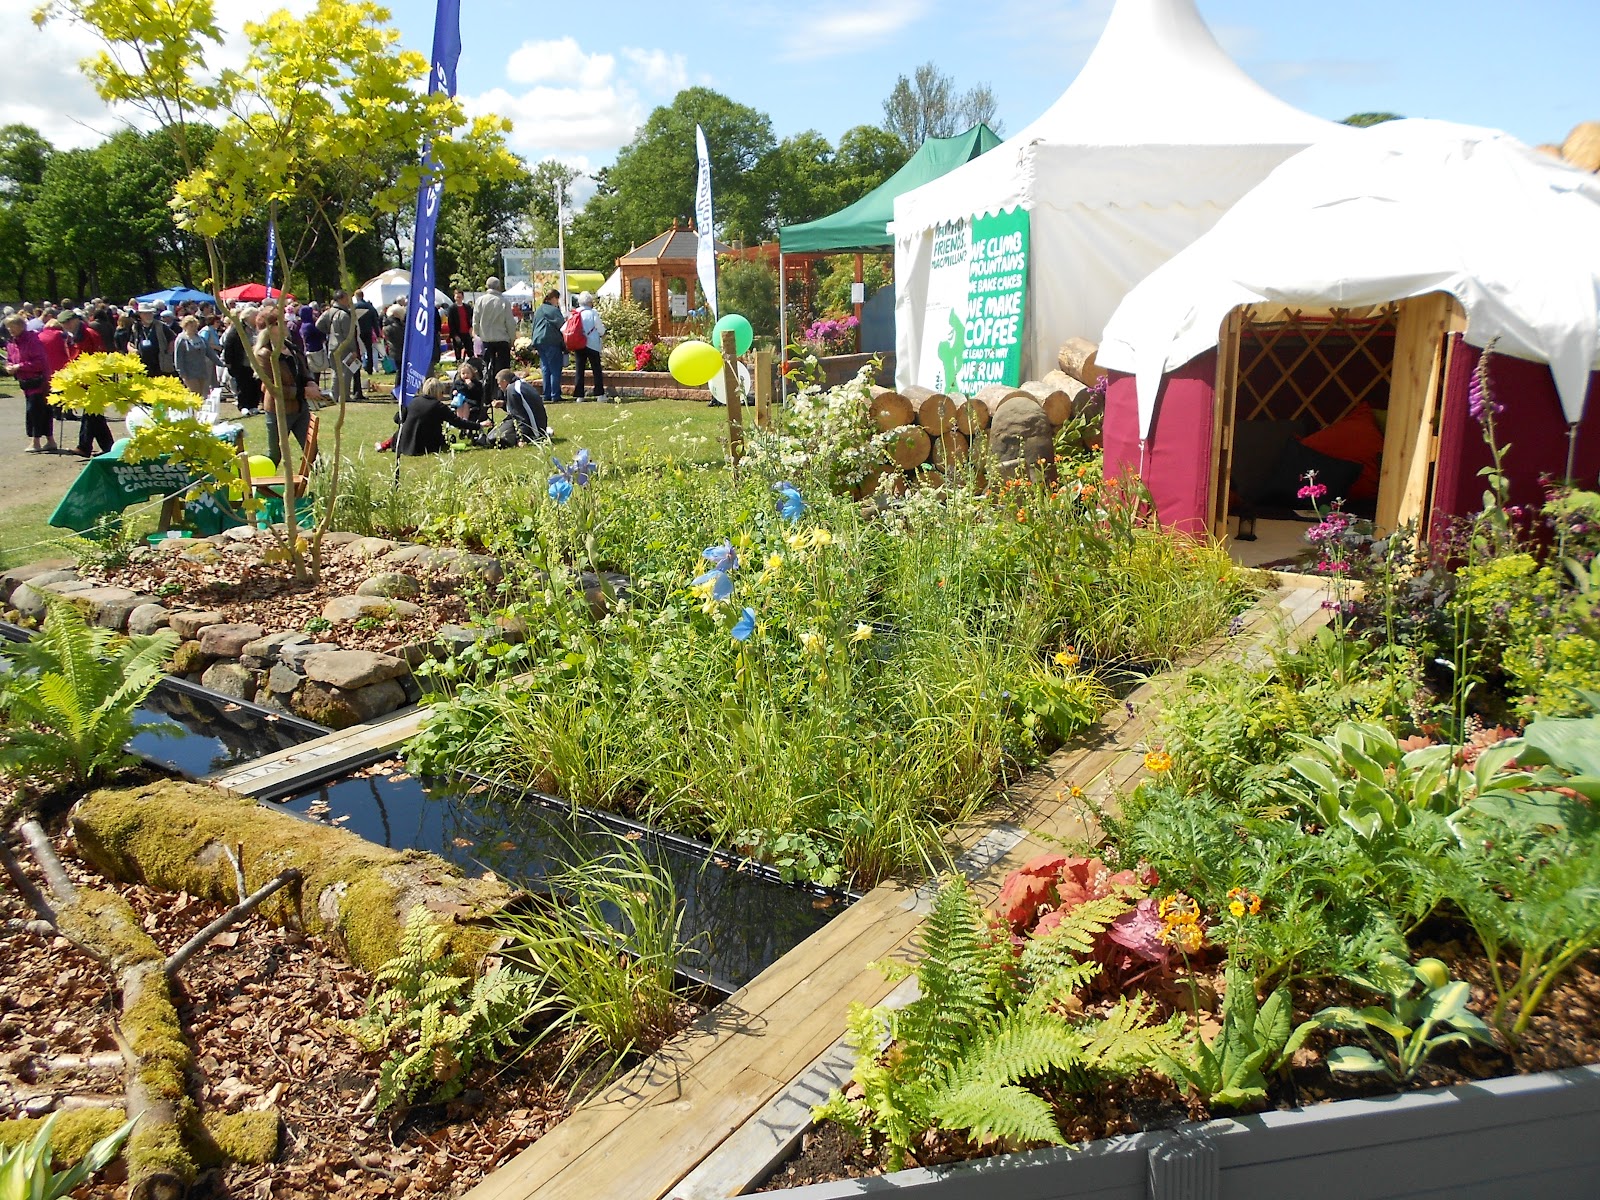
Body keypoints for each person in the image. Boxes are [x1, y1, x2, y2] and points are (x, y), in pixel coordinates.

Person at [254, 304, 321, 464]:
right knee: (274, 456)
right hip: (279, 412)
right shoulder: (264, 354)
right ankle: (262, 487)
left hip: (300, 408)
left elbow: (303, 370)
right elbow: (274, 389)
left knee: (313, 454)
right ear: (270, 328)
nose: (286, 324)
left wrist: (311, 383)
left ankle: (319, 487)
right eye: (280, 322)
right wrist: (303, 392)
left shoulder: (291, 347)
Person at [394, 377, 489, 456]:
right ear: (439, 392)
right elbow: (458, 422)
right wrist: (479, 425)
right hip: (427, 445)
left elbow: (397, 418)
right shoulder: (438, 406)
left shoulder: (412, 400)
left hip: (406, 443)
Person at [4, 313, 57, 453]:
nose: (10, 330)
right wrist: (9, 366)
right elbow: (10, 358)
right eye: (8, 327)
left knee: (35, 411)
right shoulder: (12, 342)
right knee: (40, 411)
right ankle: (50, 441)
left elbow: (39, 362)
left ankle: (36, 441)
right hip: (25, 382)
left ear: (22, 326)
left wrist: (20, 366)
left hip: (39, 381)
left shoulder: (32, 340)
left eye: (13, 327)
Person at [473, 277, 514, 401]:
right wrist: (511, 339)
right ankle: (503, 394)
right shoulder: (503, 301)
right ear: (498, 287)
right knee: (504, 369)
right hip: (501, 339)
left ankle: (487, 395)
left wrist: (479, 334)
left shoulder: (480, 301)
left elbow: (475, 321)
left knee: (487, 369)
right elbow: (510, 323)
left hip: (487, 340)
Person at [223, 307, 264, 417]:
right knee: (243, 386)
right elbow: (229, 346)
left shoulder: (257, 328)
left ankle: (254, 405)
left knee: (255, 385)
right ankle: (243, 406)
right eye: (255, 315)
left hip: (255, 363)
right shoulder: (238, 329)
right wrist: (229, 363)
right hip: (242, 363)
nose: (257, 318)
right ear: (248, 317)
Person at [316, 289, 357, 397]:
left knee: (335, 372)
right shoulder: (344, 314)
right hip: (343, 346)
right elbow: (349, 335)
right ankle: (344, 396)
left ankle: (334, 395)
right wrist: (354, 349)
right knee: (346, 372)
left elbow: (318, 324)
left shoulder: (328, 312)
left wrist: (330, 332)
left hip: (332, 345)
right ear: (342, 299)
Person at [530, 289, 565, 407]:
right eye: (557, 299)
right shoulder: (553, 310)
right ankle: (555, 394)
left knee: (545, 368)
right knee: (555, 368)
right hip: (551, 340)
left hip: (539, 341)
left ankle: (547, 394)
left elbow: (534, 325)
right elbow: (562, 324)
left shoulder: (539, 309)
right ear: (553, 298)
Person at [174, 314, 223, 397]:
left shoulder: (200, 338)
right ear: (185, 326)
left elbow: (210, 352)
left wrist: (221, 363)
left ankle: (199, 410)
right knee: (195, 394)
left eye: (195, 326)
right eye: (191, 326)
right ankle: (194, 410)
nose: (193, 328)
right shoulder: (181, 339)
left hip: (202, 371)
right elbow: (178, 358)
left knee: (202, 394)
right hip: (189, 372)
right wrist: (181, 373)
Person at [495, 368, 549, 442]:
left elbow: (519, 416)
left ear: (504, 382)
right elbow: (522, 407)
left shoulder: (511, 389)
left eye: (499, 383)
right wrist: (504, 404)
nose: (499, 386)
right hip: (541, 426)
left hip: (534, 432)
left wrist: (521, 439)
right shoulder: (522, 383)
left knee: (493, 438)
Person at [572, 292, 606, 402]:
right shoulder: (593, 313)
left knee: (579, 369)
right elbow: (600, 328)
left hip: (578, 343)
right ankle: (599, 394)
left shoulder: (575, 313)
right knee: (596, 369)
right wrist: (602, 333)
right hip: (592, 344)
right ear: (590, 302)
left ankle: (579, 396)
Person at [133, 303, 174, 377]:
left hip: (159, 362)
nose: (149, 316)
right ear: (140, 315)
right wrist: (133, 350)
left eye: (150, 313)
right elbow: (130, 343)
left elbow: (172, 339)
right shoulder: (136, 327)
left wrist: (168, 353)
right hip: (142, 362)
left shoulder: (161, 325)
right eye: (146, 314)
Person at [354, 291, 380, 373]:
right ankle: (370, 368)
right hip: (368, 331)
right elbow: (375, 321)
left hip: (357, 331)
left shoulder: (354, 307)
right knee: (369, 350)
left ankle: (356, 369)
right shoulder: (370, 307)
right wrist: (377, 333)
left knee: (357, 350)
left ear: (356, 296)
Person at [446, 288, 473, 361]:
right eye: (457, 297)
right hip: (457, 333)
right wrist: (454, 335)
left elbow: (471, 319)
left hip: (467, 333)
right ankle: (459, 363)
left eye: (460, 297)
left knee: (470, 351)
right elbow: (450, 323)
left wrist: (471, 328)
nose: (458, 299)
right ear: (454, 297)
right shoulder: (452, 308)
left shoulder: (467, 307)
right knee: (458, 351)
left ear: (463, 297)